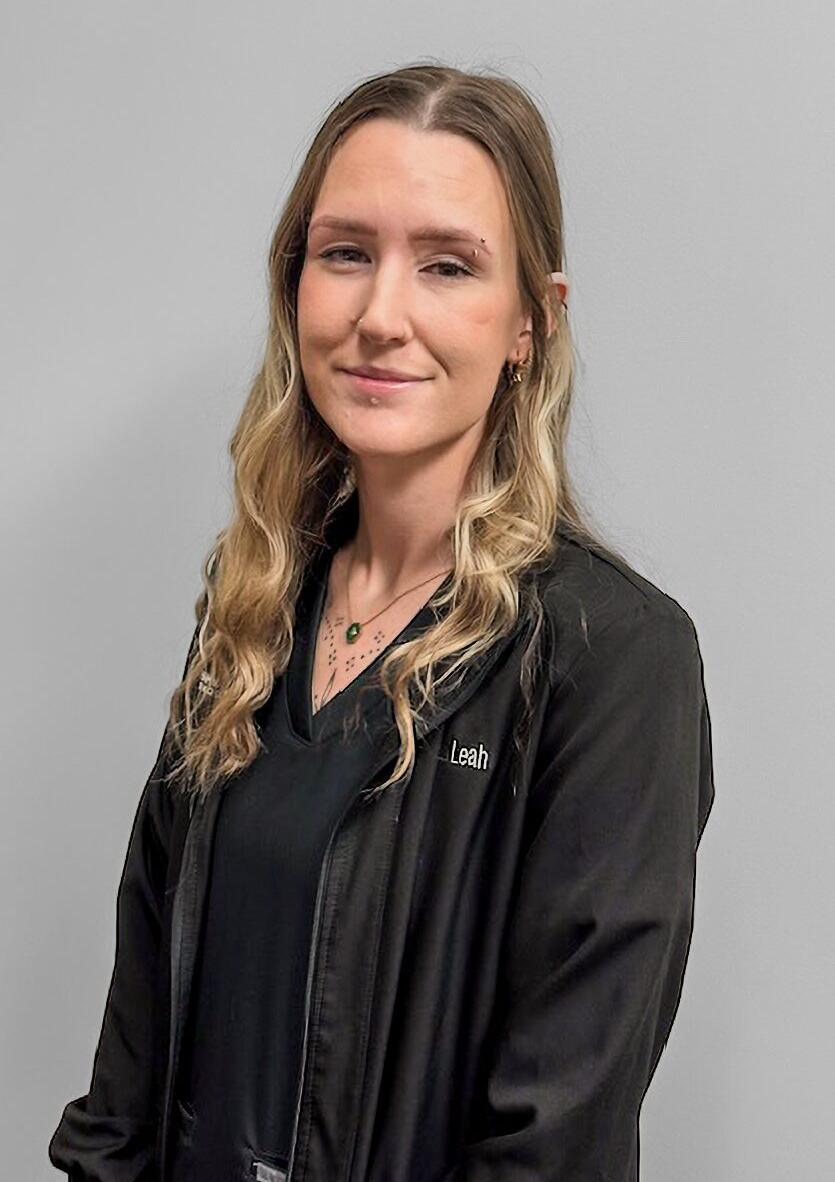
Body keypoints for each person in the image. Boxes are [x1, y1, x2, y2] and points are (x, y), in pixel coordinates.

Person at [49, 61, 715, 1182]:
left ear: (527, 327)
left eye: (447, 265)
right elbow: (131, 1071)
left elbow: (555, 1143)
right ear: (294, 283)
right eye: (344, 253)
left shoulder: (612, 660)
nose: (378, 315)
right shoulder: (254, 610)